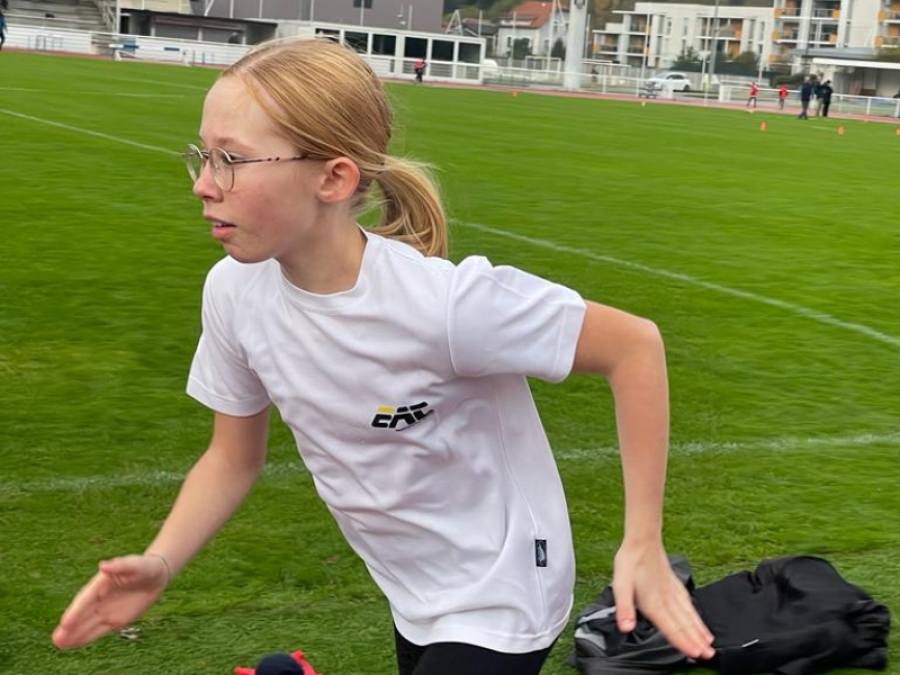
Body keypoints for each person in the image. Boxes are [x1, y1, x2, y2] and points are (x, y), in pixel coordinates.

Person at [51, 38, 715, 675]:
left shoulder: (443, 304)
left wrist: (642, 541)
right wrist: (161, 562)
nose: (203, 183)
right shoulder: (233, 292)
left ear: (333, 178)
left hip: (505, 587)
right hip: (410, 587)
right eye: (202, 155)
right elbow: (232, 457)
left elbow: (634, 346)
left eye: (232, 159)